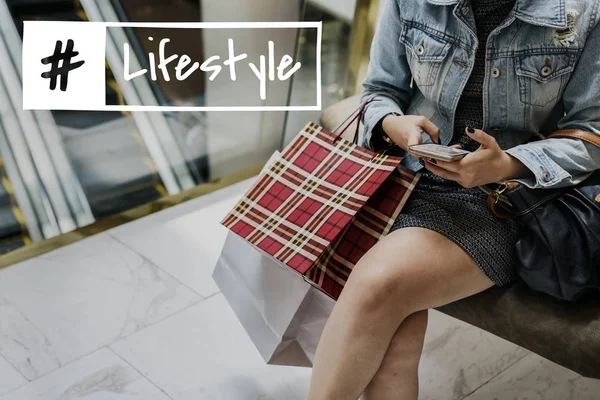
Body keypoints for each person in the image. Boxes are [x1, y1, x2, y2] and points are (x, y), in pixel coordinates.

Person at [305, 0, 600, 399]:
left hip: (503, 203)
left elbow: (591, 136)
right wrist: (395, 124)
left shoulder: (583, 10)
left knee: (379, 286)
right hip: (404, 179)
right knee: (396, 346)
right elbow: (378, 91)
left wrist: (508, 163)